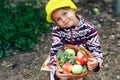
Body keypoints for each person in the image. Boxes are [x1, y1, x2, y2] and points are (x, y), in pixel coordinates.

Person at [45, 0, 103, 80]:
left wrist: (96, 61)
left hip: (79, 62)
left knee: (76, 76)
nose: (64, 20)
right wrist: (55, 70)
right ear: (56, 22)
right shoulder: (57, 30)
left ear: (73, 10)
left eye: (65, 13)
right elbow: (55, 50)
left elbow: (95, 48)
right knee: (56, 76)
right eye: (58, 19)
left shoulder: (89, 28)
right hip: (62, 60)